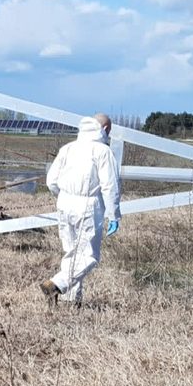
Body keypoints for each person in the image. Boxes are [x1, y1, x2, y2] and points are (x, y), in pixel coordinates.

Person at [39, 115, 122, 304]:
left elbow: (51, 180)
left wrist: (63, 197)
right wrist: (114, 214)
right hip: (87, 204)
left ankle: (70, 300)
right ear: (106, 128)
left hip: (64, 201)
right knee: (89, 256)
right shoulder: (102, 151)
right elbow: (110, 185)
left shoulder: (68, 148)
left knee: (71, 252)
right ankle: (56, 283)